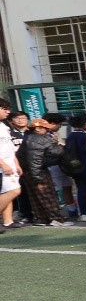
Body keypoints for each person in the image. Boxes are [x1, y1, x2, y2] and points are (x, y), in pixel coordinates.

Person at [21, 114, 65, 226]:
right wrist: (59, 145)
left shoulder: (27, 137)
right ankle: (56, 218)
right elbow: (36, 159)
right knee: (48, 195)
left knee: (35, 197)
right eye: (45, 128)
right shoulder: (39, 139)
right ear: (38, 128)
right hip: (38, 171)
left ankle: (41, 219)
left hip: (27, 171)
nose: (47, 131)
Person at [0, 98, 22, 230]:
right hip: (2, 166)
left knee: (7, 191)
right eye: (4, 109)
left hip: (9, 163)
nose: (7, 112)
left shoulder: (4, 126)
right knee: (14, 191)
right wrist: (3, 164)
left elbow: (9, 148)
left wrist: (16, 163)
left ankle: (8, 221)